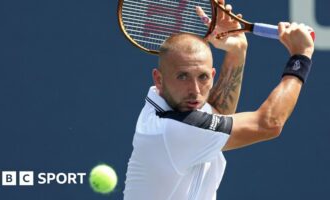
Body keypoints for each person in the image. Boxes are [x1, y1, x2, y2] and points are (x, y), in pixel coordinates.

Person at [123, 1, 314, 200]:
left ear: (213, 75)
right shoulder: (171, 129)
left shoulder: (167, 104)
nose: (195, 90)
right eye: (182, 76)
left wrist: (237, 52)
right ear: (158, 79)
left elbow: (214, 113)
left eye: (203, 77)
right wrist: (301, 56)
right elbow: (268, 123)